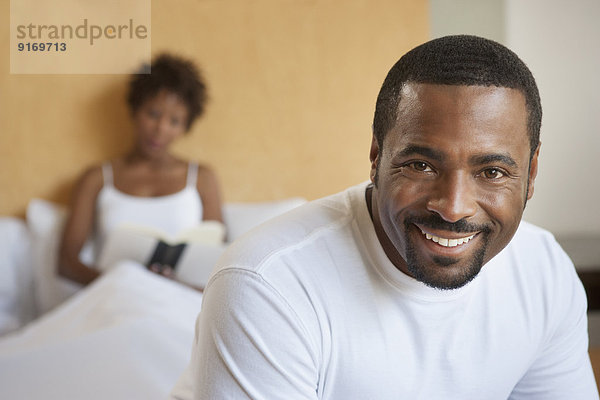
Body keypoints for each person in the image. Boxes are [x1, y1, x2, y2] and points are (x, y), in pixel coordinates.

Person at [170, 35, 598, 399]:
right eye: (421, 165)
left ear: (531, 173)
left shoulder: (544, 271)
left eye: (492, 172)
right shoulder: (267, 282)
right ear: (376, 157)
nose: (453, 206)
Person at [58, 53, 224, 286]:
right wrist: (126, 283)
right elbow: (66, 263)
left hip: (180, 301)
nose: (160, 129)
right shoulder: (95, 179)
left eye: (174, 121)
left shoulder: (202, 179)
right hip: (115, 298)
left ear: (185, 127)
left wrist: (173, 286)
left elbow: (217, 263)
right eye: (153, 114)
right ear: (135, 110)